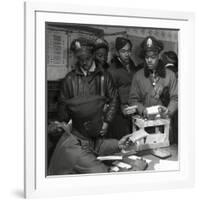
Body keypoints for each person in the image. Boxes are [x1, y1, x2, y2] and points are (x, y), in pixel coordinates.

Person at [48, 37, 130, 175]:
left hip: (95, 128)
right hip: (80, 129)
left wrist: (106, 122)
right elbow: (63, 106)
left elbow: (114, 99)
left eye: (86, 58)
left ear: (92, 55)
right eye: (80, 59)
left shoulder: (104, 75)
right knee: (90, 162)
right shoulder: (70, 79)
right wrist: (70, 121)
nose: (84, 62)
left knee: (97, 155)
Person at [128, 36, 178, 142]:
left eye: (153, 57)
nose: (149, 60)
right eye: (147, 57)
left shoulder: (170, 75)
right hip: (144, 127)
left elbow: (175, 98)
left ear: (159, 55)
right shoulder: (138, 76)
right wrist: (142, 110)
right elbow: (133, 99)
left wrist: (168, 111)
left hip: (165, 126)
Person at [107, 37, 137, 139]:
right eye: (123, 51)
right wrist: (121, 107)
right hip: (120, 114)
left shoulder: (133, 66)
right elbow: (111, 95)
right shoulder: (112, 70)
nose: (127, 54)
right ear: (117, 52)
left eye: (128, 51)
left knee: (135, 140)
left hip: (134, 110)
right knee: (123, 141)